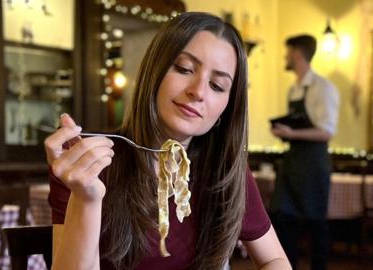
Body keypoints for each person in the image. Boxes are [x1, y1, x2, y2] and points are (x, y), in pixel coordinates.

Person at [44, 12, 291, 270]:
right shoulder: (89, 165)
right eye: (184, 69)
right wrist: (87, 198)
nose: (198, 91)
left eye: (217, 85)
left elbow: (275, 259)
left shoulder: (225, 171)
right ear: (155, 73)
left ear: (226, 110)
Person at [270, 34, 339, 270]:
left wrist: (292, 134)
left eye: (287, 52)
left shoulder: (324, 88)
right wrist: (283, 131)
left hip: (314, 163)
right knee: (282, 218)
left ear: (297, 54)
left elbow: (326, 132)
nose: (284, 57)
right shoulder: (294, 89)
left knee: (316, 223)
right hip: (292, 162)